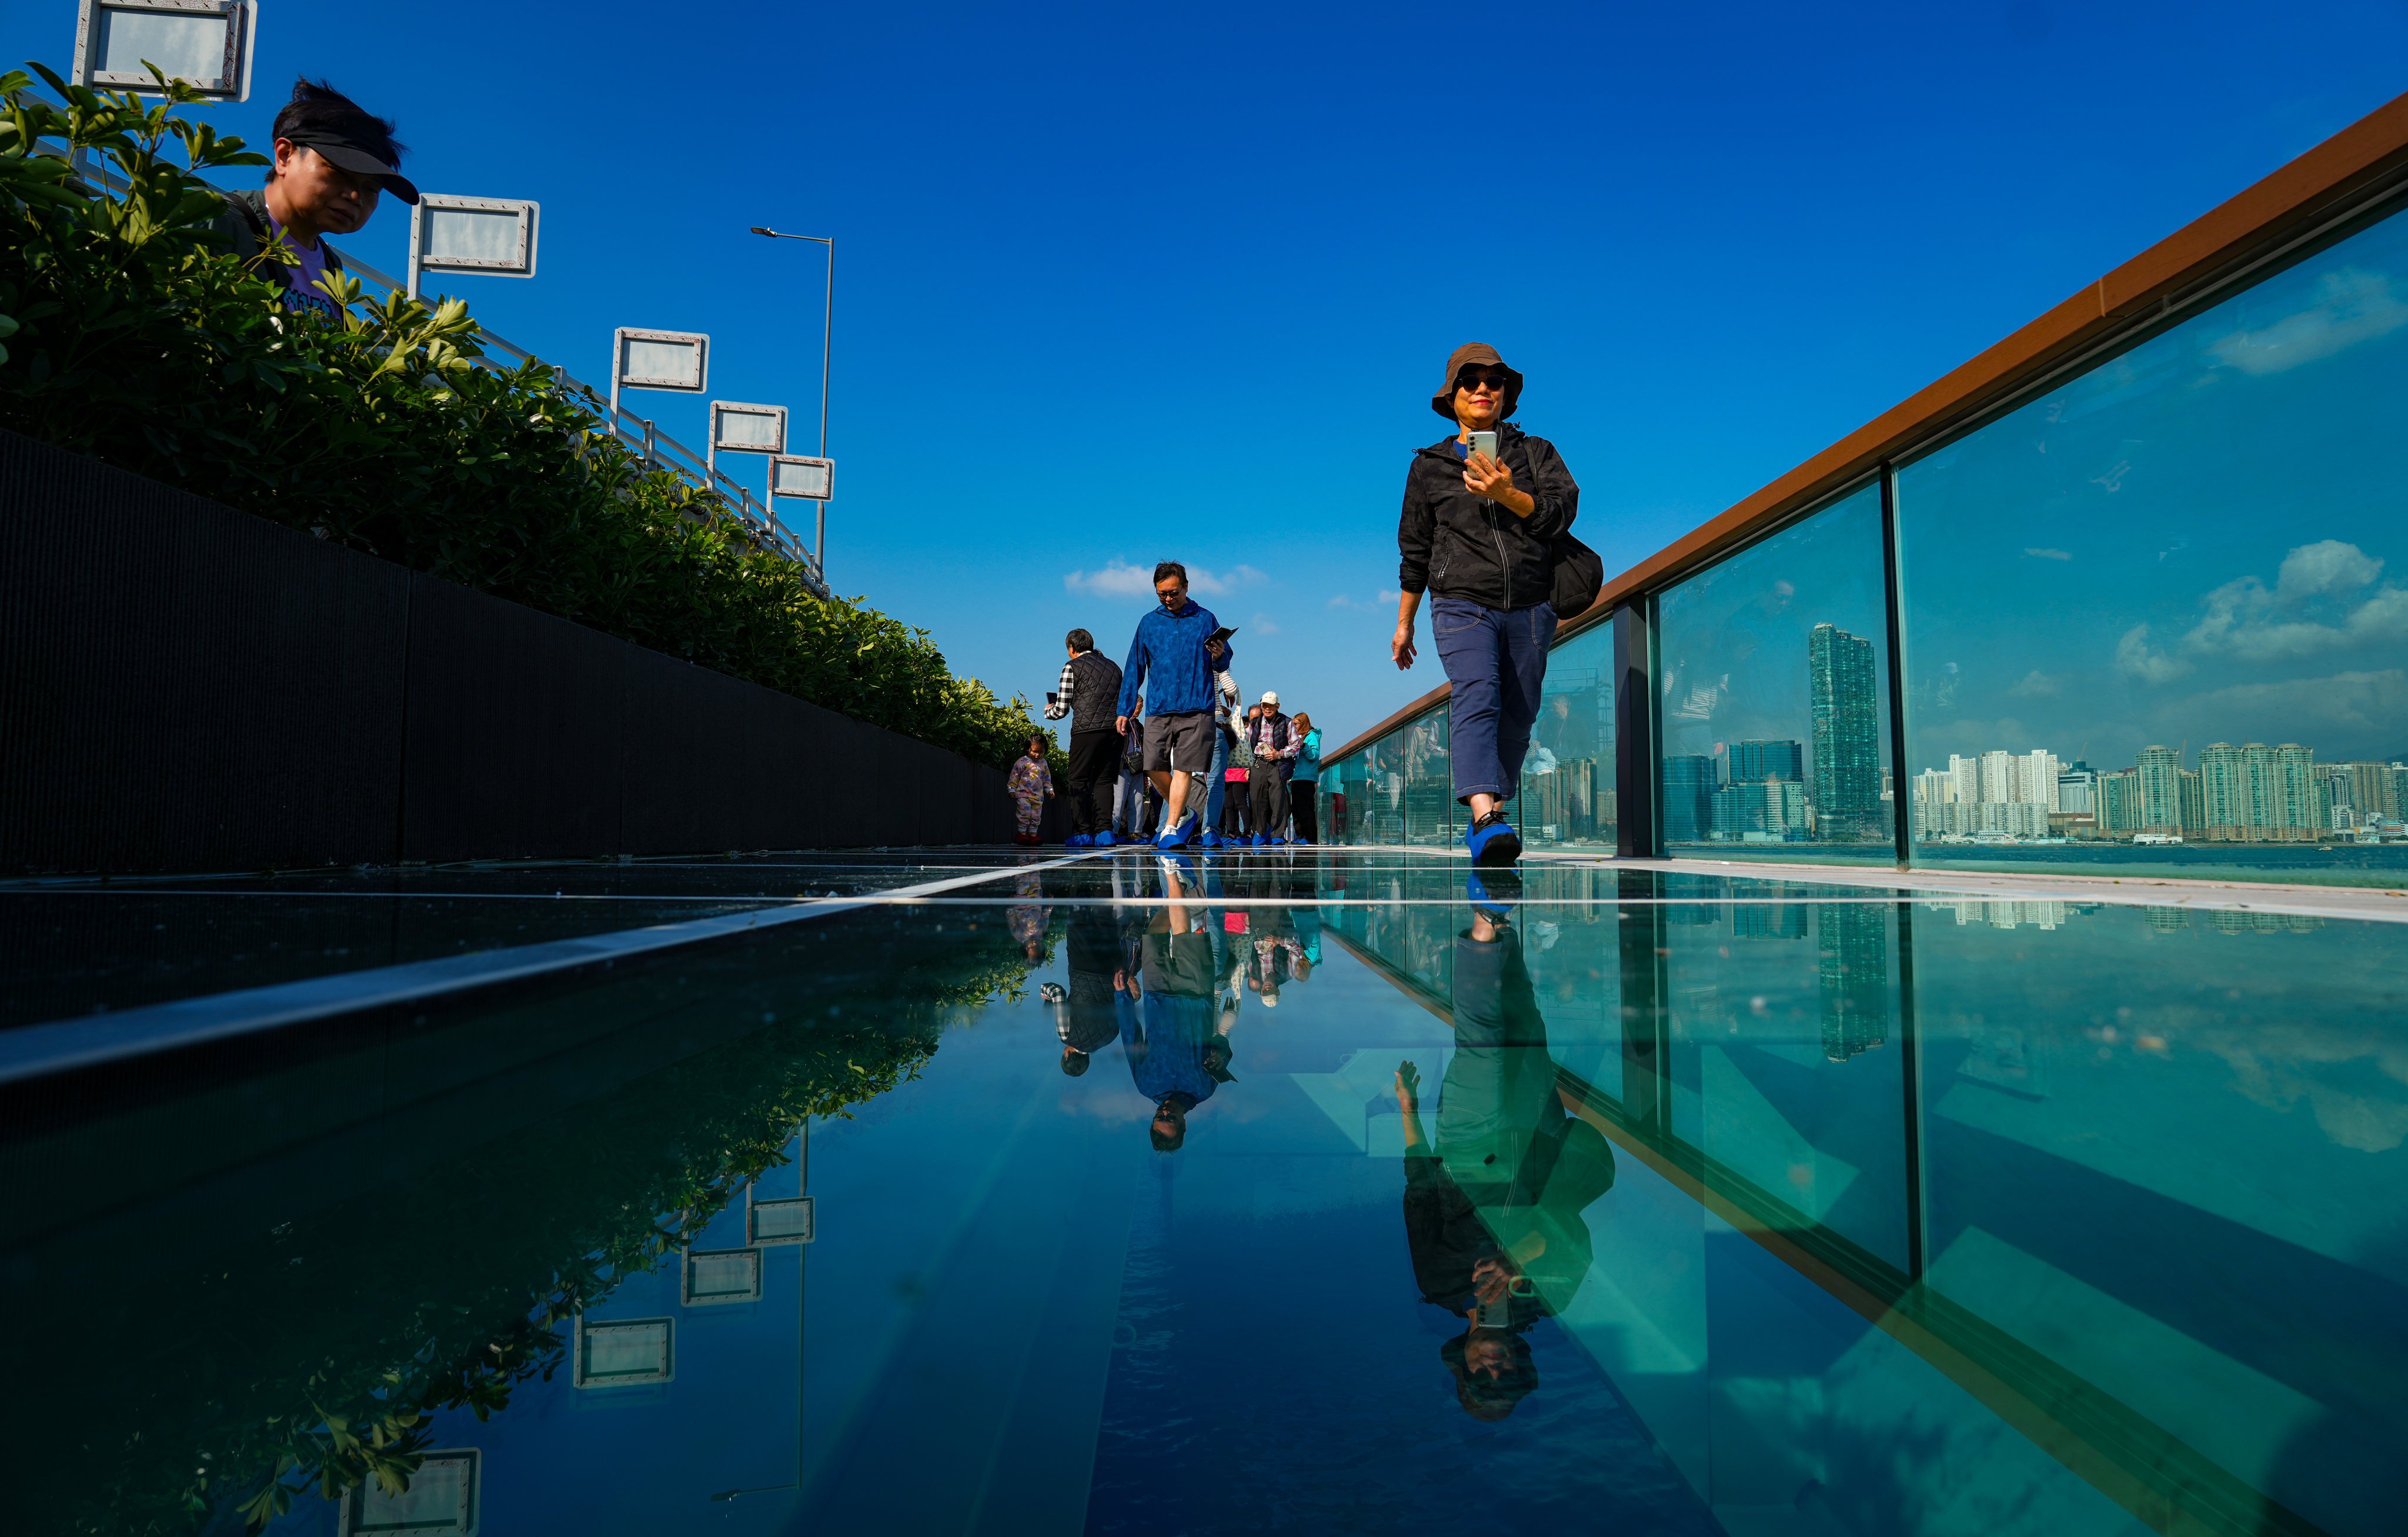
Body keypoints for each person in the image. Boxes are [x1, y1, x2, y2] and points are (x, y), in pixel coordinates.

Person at [1391, 868, 1617, 1419]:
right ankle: (1499, 917)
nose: (1496, 1367)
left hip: (1466, 1143)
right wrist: (1517, 1259)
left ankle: (1484, 919)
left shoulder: (1440, 1283)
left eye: (1483, 1376)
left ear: (1463, 1361)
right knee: (1524, 1019)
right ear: (1523, 1362)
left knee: (1483, 1041)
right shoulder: (1548, 1298)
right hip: (1537, 1132)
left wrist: (1406, 1112)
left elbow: (1419, 1192)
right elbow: (1575, 1236)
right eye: (1508, 1375)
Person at [1392, 344, 1581, 866]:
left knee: (1519, 714)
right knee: (1478, 694)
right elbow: (1415, 549)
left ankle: (1491, 818)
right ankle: (1482, 814)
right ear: (1451, 396)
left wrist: (1508, 494)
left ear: (1506, 397)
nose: (1482, 389)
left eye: (1493, 382)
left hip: (1531, 604)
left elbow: (1560, 513)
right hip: (1459, 603)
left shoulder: (1535, 453)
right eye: (1469, 381)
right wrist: (1404, 623)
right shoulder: (1428, 467)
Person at [211, 79, 419, 323]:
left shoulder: (330, 265)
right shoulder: (219, 222)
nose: (355, 197)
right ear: (285, 156)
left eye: (371, 189)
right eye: (338, 173)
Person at [1116, 563, 1234, 850]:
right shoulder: (1149, 622)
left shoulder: (1205, 619)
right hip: (1159, 706)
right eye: (1161, 594)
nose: (1168, 599)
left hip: (1197, 707)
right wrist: (1124, 707)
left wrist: (1220, 655)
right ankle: (1186, 813)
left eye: (1173, 592)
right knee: (1151, 766)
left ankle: (1171, 827)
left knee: (1183, 768)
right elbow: (1135, 666)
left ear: (1186, 586)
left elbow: (1224, 658)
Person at [1124, 854, 1235, 1150]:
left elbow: (1131, 1039)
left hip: (1157, 996)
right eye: (1170, 1120)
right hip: (1196, 995)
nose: (1164, 1112)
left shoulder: (1145, 1086)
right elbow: (1222, 1046)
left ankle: (1184, 890)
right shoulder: (1204, 1089)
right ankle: (1172, 871)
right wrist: (1221, 1056)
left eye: (1158, 1117)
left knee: (1153, 934)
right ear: (1184, 1125)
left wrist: (1124, 996)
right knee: (1184, 934)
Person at [1045, 628, 1125, 847]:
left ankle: (1083, 833)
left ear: (1072, 648)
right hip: (1114, 731)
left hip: (1085, 732)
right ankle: (1105, 832)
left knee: (1079, 780)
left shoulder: (1071, 667)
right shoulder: (1114, 667)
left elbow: (1061, 709)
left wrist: (1048, 711)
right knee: (1104, 782)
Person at [1247, 692, 1295, 847]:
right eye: (1264, 705)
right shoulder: (1254, 723)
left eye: (1270, 705)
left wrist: (1279, 754)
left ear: (1277, 706)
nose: (1267, 708)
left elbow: (1295, 746)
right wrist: (1248, 766)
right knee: (1256, 799)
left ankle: (1277, 834)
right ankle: (1260, 831)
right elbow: (1247, 745)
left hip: (1277, 764)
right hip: (1258, 763)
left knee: (1278, 800)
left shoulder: (1287, 722)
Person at [1007, 734, 1053, 846]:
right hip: (1023, 795)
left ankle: (1033, 835)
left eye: (1041, 752)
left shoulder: (1044, 764)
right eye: (1034, 752)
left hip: (1038, 796)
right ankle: (1022, 834)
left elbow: (1046, 779)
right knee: (1025, 813)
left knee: (1036, 816)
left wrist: (1049, 789)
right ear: (1028, 749)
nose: (1038, 755)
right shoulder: (1022, 762)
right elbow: (1014, 776)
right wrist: (1011, 789)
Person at [1288, 711, 1324, 844]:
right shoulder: (1296, 737)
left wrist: (1304, 746)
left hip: (1307, 778)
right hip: (1296, 778)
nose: (1294, 727)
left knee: (1305, 808)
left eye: (1296, 724)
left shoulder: (1312, 736)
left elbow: (1314, 755)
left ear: (1303, 723)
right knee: (1296, 809)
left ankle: (1310, 837)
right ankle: (1301, 836)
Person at [1222, 708, 1255, 841]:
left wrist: (1248, 769)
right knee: (1229, 805)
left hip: (1240, 772)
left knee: (1240, 803)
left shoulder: (1244, 734)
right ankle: (1231, 832)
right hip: (1228, 772)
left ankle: (1247, 831)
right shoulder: (1226, 732)